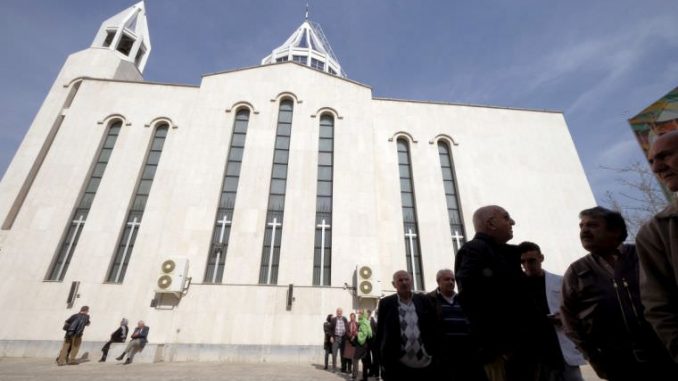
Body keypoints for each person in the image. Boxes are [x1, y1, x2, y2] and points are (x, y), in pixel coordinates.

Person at [561, 207, 677, 381]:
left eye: (592, 225)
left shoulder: (642, 254)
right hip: (617, 364)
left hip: (665, 353)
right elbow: (568, 319)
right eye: (581, 226)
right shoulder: (577, 271)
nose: (584, 230)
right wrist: (593, 357)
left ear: (615, 231)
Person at [454, 205, 542, 381]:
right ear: (491, 223)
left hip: (524, 349)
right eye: (506, 217)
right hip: (502, 354)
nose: (512, 222)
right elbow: (472, 299)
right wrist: (499, 348)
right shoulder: (474, 250)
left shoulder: (509, 252)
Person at [636, 130, 678, 364]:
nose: (656, 168)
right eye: (652, 161)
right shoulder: (656, 232)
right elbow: (659, 308)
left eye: (665, 156)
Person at [518, 242, 585, 381]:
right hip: (535, 350)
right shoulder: (518, 287)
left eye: (531, 260)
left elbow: (578, 310)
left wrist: (564, 317)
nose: (527, 265)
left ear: (541, 258)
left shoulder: (560, 282)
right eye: (522, 261)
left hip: (561, 348)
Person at [427, 269, 487, 381]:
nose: (451, 282)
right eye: (447, 279)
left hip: (466, 350)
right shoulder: (429, 300)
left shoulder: (462, 299)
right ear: (438, 281)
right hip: (444, 351)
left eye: (452, 280)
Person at [375, 270, 436, 381]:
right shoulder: (386, 303)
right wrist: (381, 362)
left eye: (406, 279)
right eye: (400, 280)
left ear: (411, 282)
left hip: (425, 362)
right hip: (398, 364)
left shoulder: (423, 300)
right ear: (394, 284)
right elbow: (380, 333)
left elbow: (433, 328)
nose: (404, 282)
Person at [352, 309, 373, 381]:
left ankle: (355, 377)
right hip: (365, 345)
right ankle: (365, 377)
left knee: (355, 359)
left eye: (360, 313)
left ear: (363, 314)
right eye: (359, 313)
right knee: (365, 361)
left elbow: (364, 334)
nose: (359, 314)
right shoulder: (365, 322)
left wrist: (357, 334)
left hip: (361, 344)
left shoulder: (363, 323)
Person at [330, 307, 349, 372]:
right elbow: (330, 329)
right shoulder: (333, 319)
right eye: (338, 311)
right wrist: (331, 337)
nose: (339, 312)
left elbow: (347, 327)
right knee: (334, 354)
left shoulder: (345, 319)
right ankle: (334, 368)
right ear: (336, 312)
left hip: (343, 338)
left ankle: (343, 368)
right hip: (336, 338)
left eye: (340, 311)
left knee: (343, 354)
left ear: (342, 312)